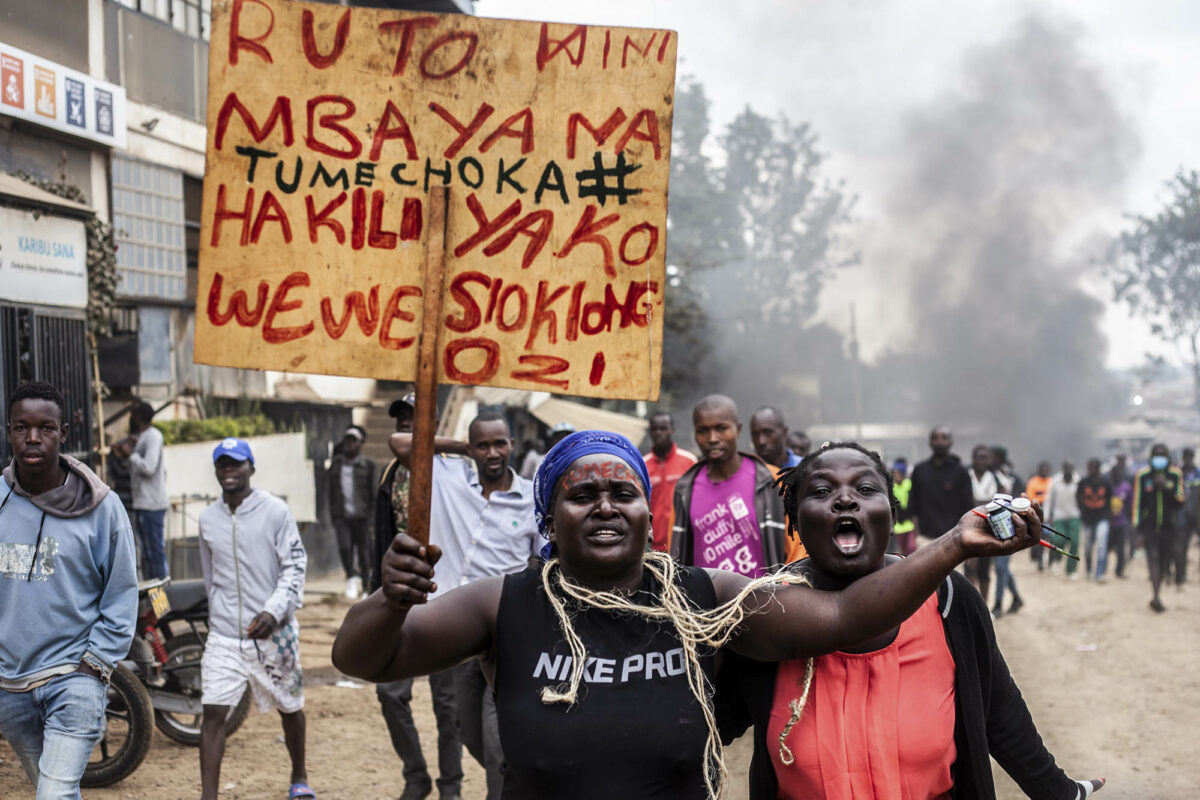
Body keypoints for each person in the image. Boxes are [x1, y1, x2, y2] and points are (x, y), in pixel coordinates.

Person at [331, 430, 1046, 800]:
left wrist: (953, 545)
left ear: (651, 509)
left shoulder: (703, 597)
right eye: (584, 496)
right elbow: (363, 659)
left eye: (624, 491)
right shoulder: (505, 600)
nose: (606, 506)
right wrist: (388, 600)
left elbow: (840, 620)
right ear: (550, 515)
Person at [714, 442, 1105, 800]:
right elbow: (702, 726)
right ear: (795, 521)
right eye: (821, 491)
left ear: (892, 513)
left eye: (866, 490)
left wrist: (1059, 791)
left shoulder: (949, 599)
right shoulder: (768, 613)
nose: (845, 499)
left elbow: (999, 712)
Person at [385, 412, 541, 800]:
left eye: (500, 443)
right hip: (449, 625)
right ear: (471, 447)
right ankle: (505, 777)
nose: (493, 452)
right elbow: (399, 444)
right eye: (483, 444)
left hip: (503, 632)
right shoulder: (448, 476)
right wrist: (460, 448)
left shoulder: (529, 500)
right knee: (463, 725)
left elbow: (542, 561)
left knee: (495, 734)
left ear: (512, 445)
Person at [0, 381, 138, 800]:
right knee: (55, 790)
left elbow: (122, 593)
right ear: (9, 431)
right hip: (10, 687)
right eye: (22, 427)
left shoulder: (102, 507)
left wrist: (94, 665)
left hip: (74, 678)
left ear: (63, 433)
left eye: (46, 427)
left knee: (53, 796)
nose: (33, 438)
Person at [198, 438, 311, 800]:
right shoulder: (207, 519)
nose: (229, 471)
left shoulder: (275, 511)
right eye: (223, 465)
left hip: (274, 634)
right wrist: (219, 617)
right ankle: (209, 796)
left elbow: (295, 566)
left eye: (237, 464)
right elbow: (209, 576)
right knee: (213, 713)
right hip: (225, 636)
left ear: (251, 467)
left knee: (290, 706)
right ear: (217, 471)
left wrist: (274, 611)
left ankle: (299, 776)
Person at [370, 394, 464, 800]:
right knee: (390, 693)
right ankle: (415, 775)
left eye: (416, 418)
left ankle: (450, 787)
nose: (408, 424)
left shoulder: (457, 471)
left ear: (435, 420)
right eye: (404, 418)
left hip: (445, 596)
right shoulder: (394, 471)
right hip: (400, 598)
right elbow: (379, 534)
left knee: (448, 704)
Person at [670, 395, 802, 577]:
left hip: (765, 602)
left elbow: (797, 554)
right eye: (703, 431)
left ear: (738, 430)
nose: (712, 438)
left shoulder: (772, 480)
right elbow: (676, 553)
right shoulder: (685, 490)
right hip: (708, 604)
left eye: (721, 428)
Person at [112, 401, 169, 579]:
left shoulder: (153, 436)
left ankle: (160, 602)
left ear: (139, 417)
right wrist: (125, 454)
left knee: (154, 554)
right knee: (147, 554)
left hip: (152, 504)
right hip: (143, 503)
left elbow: (148, 467)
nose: (130, 419)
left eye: (133, 415)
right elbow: (134, 467)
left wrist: (131, 454)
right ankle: (153, 601)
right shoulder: (142, 437)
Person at [1131, 443, 1185, 613]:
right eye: (1157, 455)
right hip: (1149, 527)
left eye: (1162, 455)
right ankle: (1155, 596)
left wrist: (1165, 487)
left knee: (1163, 561)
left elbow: (1181, 501)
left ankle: (1158, 590)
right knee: (1152, 557)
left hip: (1169, 527)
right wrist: (1138, 530)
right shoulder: (1143, 475)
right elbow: (1137, 503)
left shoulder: (1175, 475)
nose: (1159, 459)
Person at [328, 425, 377, 599]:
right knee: (345, 547)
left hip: (362, 517)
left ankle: (366, 587)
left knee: (364, 553)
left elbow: (373, 494)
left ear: (360, 444)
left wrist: (372, 520)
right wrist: (334, 515)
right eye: (347, 440)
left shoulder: (368, 466)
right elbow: (331, 491)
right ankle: (351, 577)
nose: (350, 444)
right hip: (342, 516)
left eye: (354, 441)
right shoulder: (336, 464)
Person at [642, 411, 697, 552]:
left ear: (671, 430)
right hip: (654, 547)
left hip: (685, 542)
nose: (658, 433)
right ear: (650, 432)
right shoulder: (642, 465)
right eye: (654, 429)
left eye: (663, 428)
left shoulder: (689, 461)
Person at [908, 425, 973, 543]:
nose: (940, 442)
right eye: (935, 438)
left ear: (950, 442)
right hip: (925, 538)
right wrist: (917, 535)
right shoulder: (920, 470)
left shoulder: (961, 471)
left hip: (954, 538)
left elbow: (967, 506)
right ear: (930, 443)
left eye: (944, 438)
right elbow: (913, 505)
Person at [990, 445, 1024, 616]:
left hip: (1009, 527)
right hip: (993, 526)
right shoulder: (991, 476)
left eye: (992, 456)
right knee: (1002, 567)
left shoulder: (1013, 478)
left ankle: (998, 605)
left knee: (1000, 567)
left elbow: (1019, 499)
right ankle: (1017, 598)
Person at [967, 443, 1001, 601]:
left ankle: (984, 606)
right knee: (969, 567)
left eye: (986, 458)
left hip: (988, 527)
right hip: (968, 526)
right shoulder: (966, 475)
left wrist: (977, 503)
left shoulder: (993, 476)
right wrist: (984, 503)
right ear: (973, 458)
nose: (982, 461)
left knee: (985, 569)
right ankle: (969, 604)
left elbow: (998, 499)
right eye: (980, 457)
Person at [1077, 459, 1112, 581]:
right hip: (1087, 519)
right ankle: (1088, 571)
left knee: (1101, 545)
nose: (1090, 470)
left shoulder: (1105, 482)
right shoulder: (1084, 482)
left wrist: (1108, 515)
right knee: (1087, 547)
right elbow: (1078, 496)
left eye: (1092, 467)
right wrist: (1082, 510)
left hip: (1102, 518)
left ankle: (1099, 573)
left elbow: (1110, 499)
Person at [1045, 461, 1082, 577]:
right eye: (1066, 468)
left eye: (1070, 468)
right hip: (1059, 516)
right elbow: (1049, 500)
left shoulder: (1078, 481)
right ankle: (1056, 558)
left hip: (1074, 515)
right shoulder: (1055, 481)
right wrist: (1047, 516)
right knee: (1058, 540)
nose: (1068, 470)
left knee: (1074, 542)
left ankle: (1071, 569)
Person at [1176, 447, 1199, 587]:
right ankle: (1180, 575)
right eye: (1186, 456)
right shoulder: (1179, 473)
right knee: (1181, 547)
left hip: (1197, 514)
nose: (1188, 459)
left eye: (1191, 456)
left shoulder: (1198, 473)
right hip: (1182, 515)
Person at [1107, 457, 1133, 579]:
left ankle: (1119, 571)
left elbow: (1130, 504)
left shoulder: (1127, 487)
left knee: (1122, 550)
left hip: (1122, 522)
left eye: (1118, 474)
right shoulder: (1108, 487)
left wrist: (1129, 519)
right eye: (1114, 474)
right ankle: (1102, 570)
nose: (1116, 476)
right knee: (1106, 547)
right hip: (1109, 523)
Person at [1026, 461, 1054, 570]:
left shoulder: (1052, 482)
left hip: (1050, 514)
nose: (1044, 471)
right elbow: (1030, 498)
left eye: (1046, 469)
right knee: (1037, 538)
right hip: (1036, 512)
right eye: (1042, 469)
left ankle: (1050, 562)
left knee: (1050, 539)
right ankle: (1038, 560)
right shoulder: (1033, 483)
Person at [888, 458, 916, 556]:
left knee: (911, 548)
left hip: (910, 523)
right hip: (898, 525)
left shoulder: (909, 484)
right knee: (901, 550)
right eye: (894, 473)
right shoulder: (892, 487)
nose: (896, 476)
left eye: (898, 473)